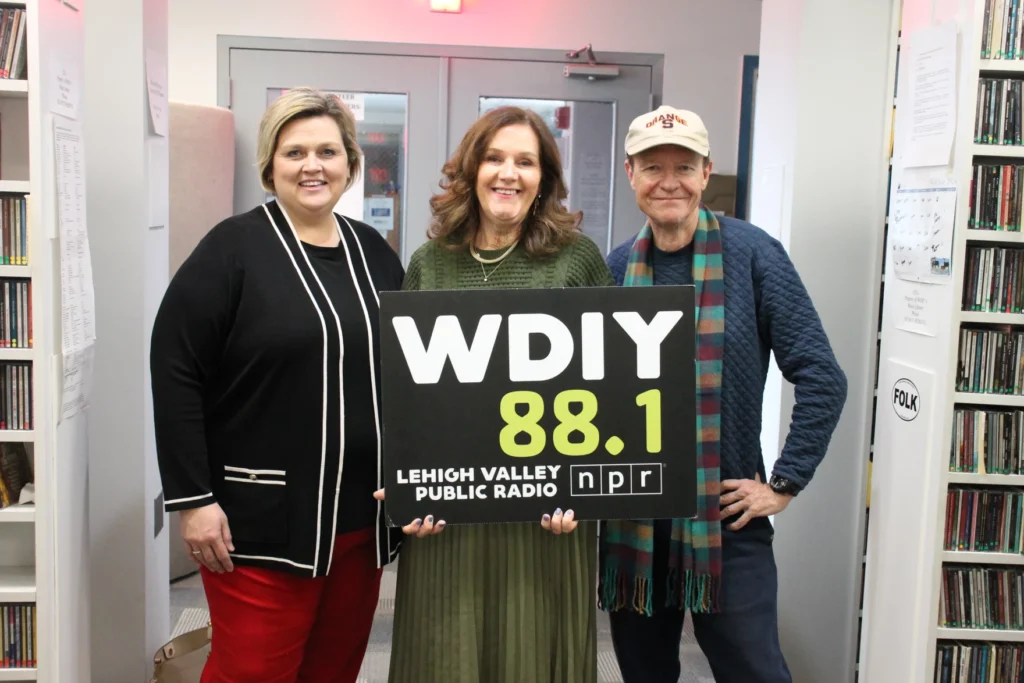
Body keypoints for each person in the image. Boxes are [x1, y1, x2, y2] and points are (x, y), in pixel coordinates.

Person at [149, 87, 404, 683]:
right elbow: (176, 368)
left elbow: (403, 370)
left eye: (327, 151)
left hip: (358, 521)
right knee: (253, 672)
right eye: (294, 153)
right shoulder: (232, 249)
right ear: (270, 167)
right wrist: (192, 500)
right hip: (257, 521)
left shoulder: (373, 252)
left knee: (334, 668)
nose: (313, 165)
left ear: (350, 164)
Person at [599, 105, 848, 683]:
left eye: (683, 166)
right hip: (638, 520)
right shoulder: (612, 272)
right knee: (644, 672)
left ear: (706, 173)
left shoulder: (753, 255)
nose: (669, 181)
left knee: (754, 671)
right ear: (630, 174)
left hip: (727, 517)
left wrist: (785, 481)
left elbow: (820, 374)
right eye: (652, 166)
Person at [375, 105, 615, 683]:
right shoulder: (430, 263)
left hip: (546, 517)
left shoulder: (576, 260)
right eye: (495, 158)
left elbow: (610, 390)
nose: (509, 173)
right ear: (471, 170)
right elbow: (403, 395)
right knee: (443, 656)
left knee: (533, 655)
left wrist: (588, 494)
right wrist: (404, 488)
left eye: (526, 162)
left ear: (544, 180)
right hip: (447, 520)